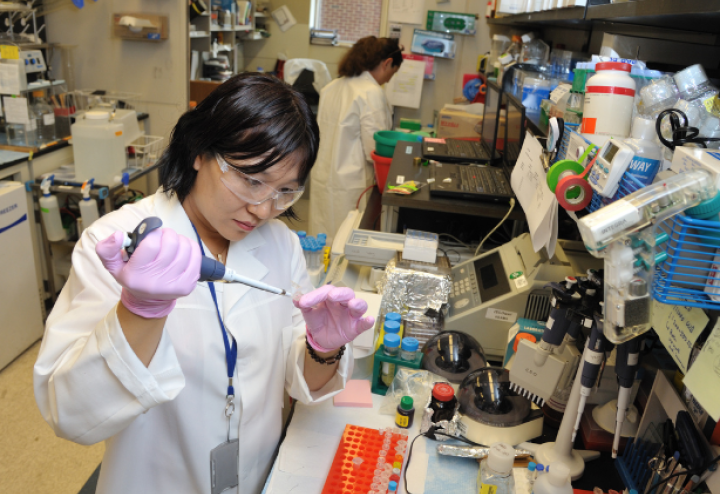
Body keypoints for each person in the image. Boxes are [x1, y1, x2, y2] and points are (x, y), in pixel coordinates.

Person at [33, 73, 375, 494]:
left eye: (285, 191)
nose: (263, 209)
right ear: (199, 152)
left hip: (258, 475)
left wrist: (323, 350)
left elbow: (294, 378)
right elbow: (69, 413)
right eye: (250, 180)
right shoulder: (118, 242)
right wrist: (139, 312)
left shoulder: (280, 245)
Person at [309, 36, 403, 239]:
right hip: (352, 185)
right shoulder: (371, 93)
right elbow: (375, 150)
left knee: (322, 240)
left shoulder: (331, 87)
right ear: (387, 63)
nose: (388, 80)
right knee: (345, 242)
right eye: (392, 73)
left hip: (323, 177)